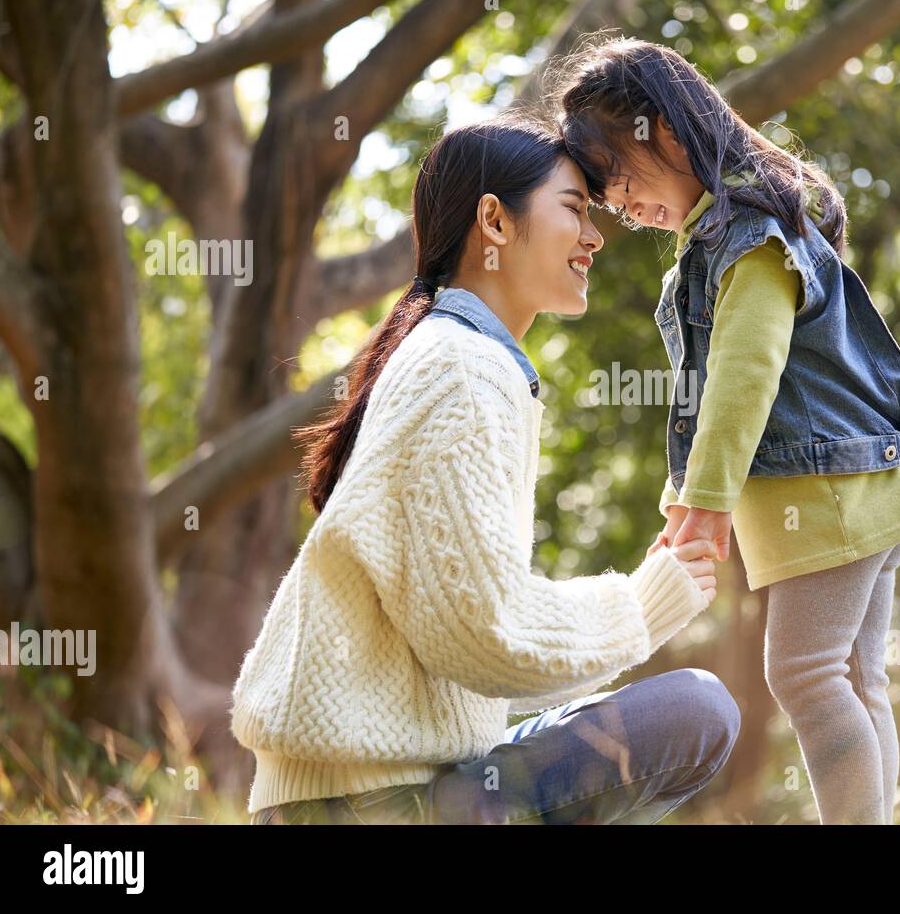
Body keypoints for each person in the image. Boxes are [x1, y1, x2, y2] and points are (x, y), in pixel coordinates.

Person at [230, 118, 740, 824]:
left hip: (376, 788)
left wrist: (647, 603)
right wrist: (647, 600)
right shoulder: (463, 369)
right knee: (696, 710)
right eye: (573, 209)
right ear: (494, 221)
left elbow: (470, 654)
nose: (594, 238)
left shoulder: (455, 356)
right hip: (365, 805)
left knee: (684, 711)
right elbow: (487, 636)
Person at [552, 36, 900, 824]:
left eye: (621, 181)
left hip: (831, 495)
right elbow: (709, 399)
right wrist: (682, 497)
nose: (624, 207)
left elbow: (744, 378)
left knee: (804, 678)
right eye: (608, 200)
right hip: (865, 487)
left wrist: (702, 502)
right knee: (853, 680)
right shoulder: (728, 234)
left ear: (664, 131)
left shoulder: (749, 235)